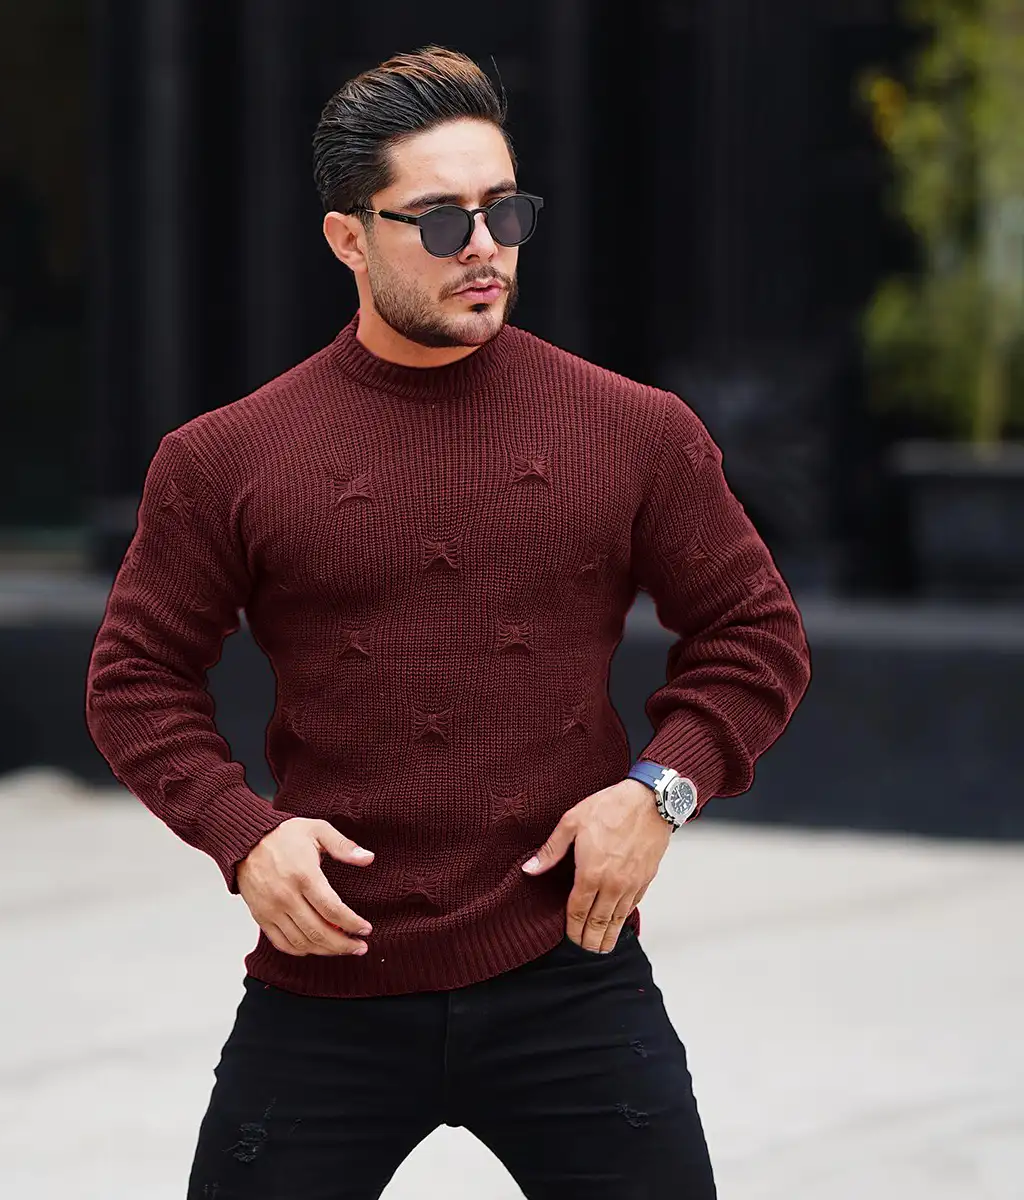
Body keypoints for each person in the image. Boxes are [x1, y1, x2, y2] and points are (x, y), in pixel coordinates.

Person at [86, 44, 811, 1200]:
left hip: (569, 971)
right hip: (324, 984)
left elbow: (754, 633)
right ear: (348, 238)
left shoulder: (636, 429)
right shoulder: (224, 457)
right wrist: (242, 833)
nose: (483, 246)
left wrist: (659, 791)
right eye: (438, 219)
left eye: (504, 211)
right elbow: (135, 679)